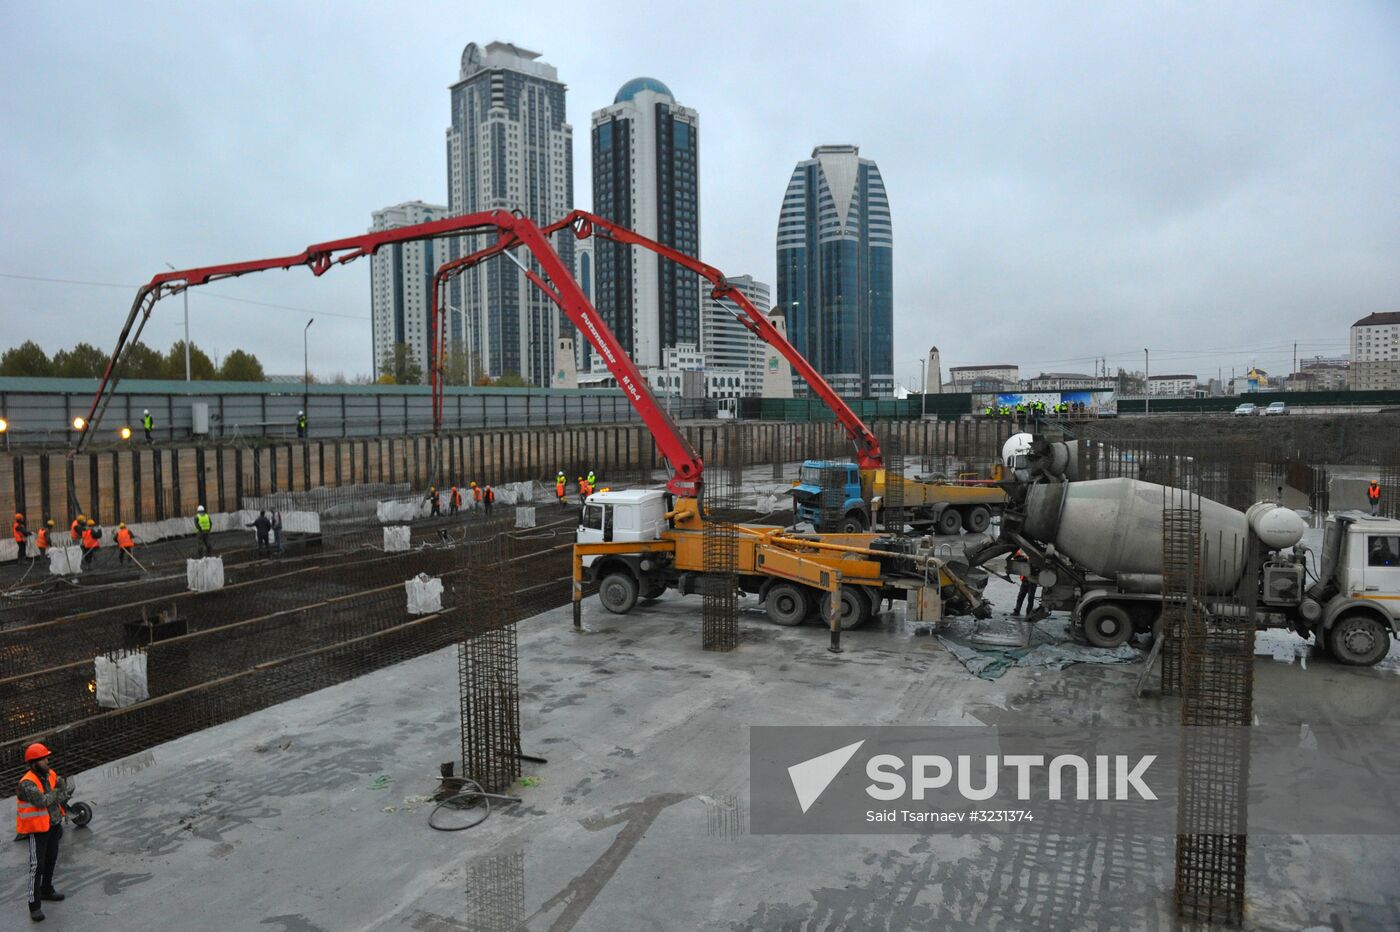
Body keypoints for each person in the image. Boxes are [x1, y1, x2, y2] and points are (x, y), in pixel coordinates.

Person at [17, 742, 71, 922]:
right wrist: (57, 793)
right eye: (43, 758)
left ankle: (47, 889)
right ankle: (34, 906)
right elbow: (41, 801)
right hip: (38, 830)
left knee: (51, 859)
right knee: (36, 866)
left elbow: (62, 791)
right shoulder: (27, 783)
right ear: (33, 763)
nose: (47, 760)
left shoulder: (50, 774)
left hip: (54, 825)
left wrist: (60, 792)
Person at [1012, 550, 1037, 615]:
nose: (1015, 560)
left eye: (1016, 558)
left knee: (1029, 598)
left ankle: (1026, 613)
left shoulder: (1025, 560)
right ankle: (1018, 611)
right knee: (1022, 597)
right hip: (1025, 581)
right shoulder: (1024, 559)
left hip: (1031, 582)